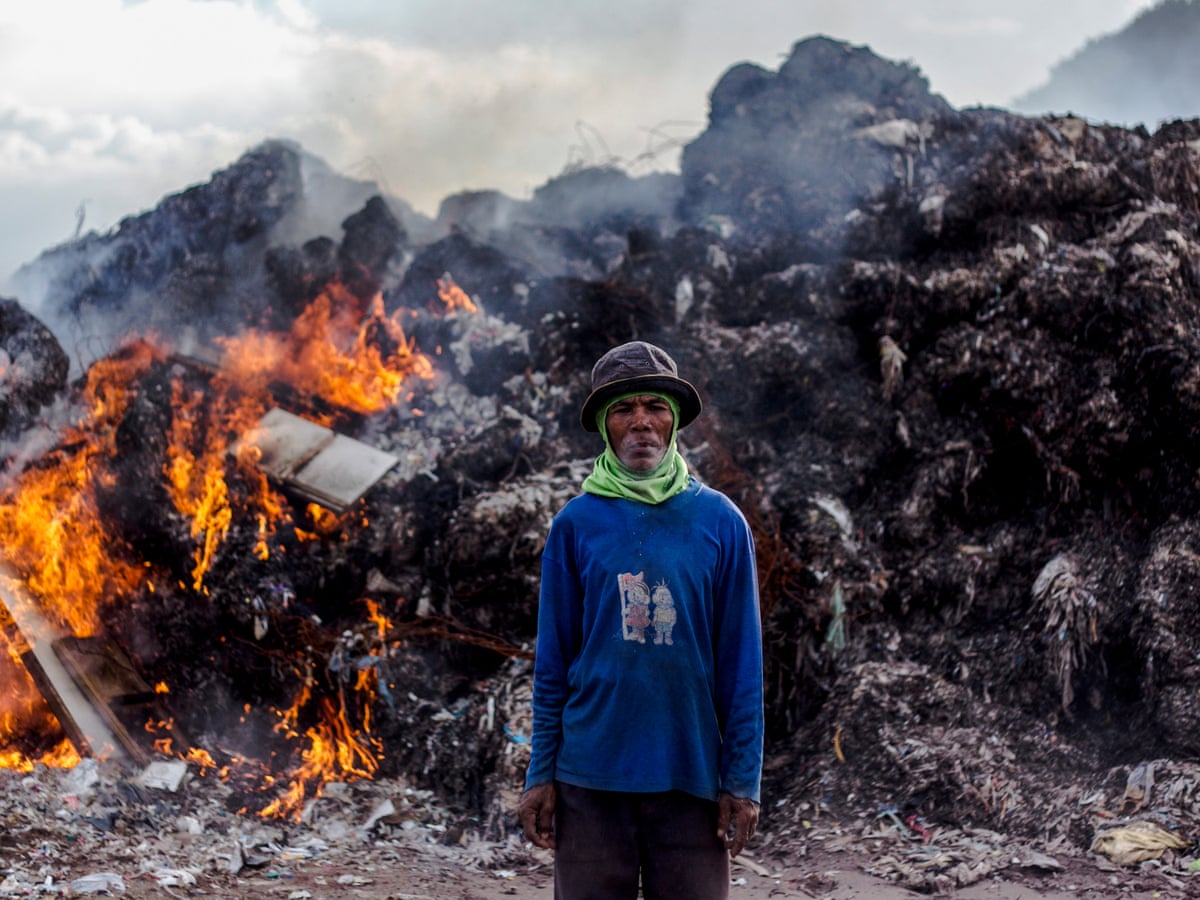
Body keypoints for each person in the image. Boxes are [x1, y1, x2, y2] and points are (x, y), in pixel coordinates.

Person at [518, 341, 764, 900]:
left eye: (655, 406)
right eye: (623, 410)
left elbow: (742, 666)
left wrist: (742, 779)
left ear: (674, 421)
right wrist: (541, 774)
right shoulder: (576, 524)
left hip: (690, 779)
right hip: (590, 779)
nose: (641, 423)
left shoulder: (721, 522)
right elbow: (553, 664)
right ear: (605, 426)